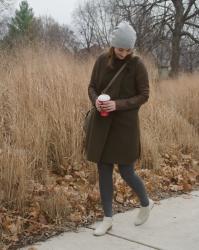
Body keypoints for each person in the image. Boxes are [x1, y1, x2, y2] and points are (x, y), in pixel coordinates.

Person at [84, 21, 154, 236]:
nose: (124, 53)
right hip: (102, 124)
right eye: (120, 49)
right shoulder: (101, 61)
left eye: (127, 49)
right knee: (104, 170)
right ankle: (107, 219)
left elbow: (144, 95)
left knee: (126, 170)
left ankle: (146, 202)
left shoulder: (137, 65)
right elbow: (92, 87)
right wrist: (96, 100)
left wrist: (118, 104)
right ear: (113, 45)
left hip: (125, 126)